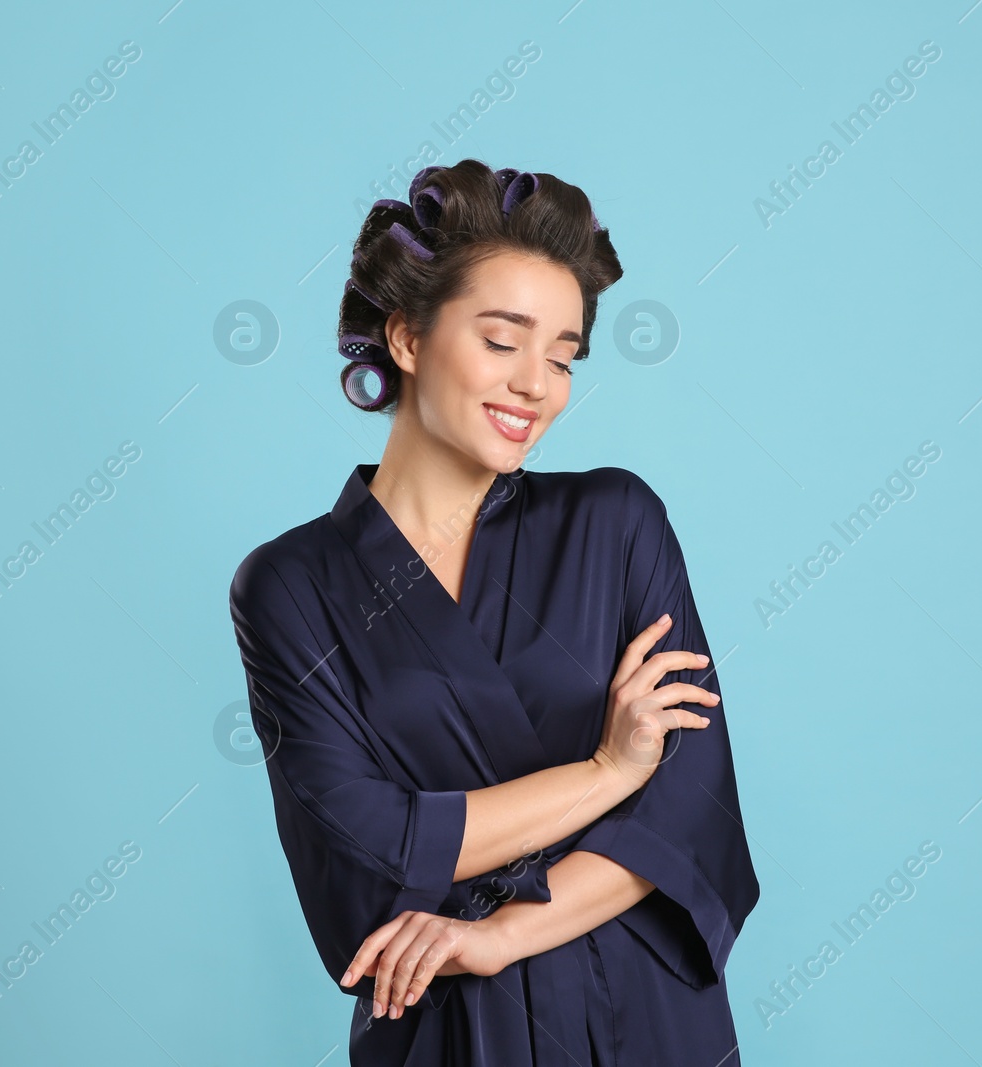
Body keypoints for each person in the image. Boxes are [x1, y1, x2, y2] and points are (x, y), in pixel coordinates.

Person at [228, 159, 760, 1066]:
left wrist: (502, 934)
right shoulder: (289, 585)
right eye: (503, 340)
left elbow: (690, 798)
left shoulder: (617, 522)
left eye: (561, 357)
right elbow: (377, 850)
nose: (536, 385)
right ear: (405, 336)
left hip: (647, 1014)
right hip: (449, 1030)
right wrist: (606, 771)